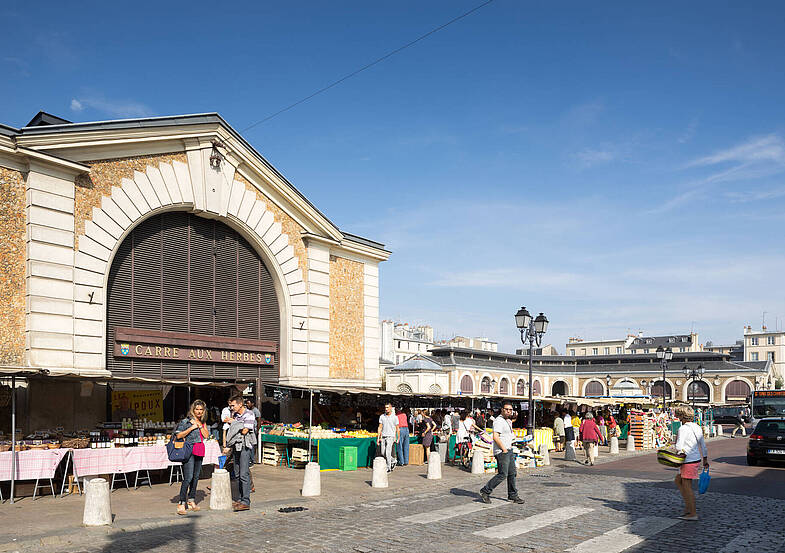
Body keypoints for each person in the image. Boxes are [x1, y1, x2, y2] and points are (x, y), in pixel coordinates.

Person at [479, 402, 524, 504]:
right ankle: (485, 491)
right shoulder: (498, 421)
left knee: (512, 473)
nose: (509, 411)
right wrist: (503, 449)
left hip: (509, 449)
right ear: (502, 410)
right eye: (507, 409)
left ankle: (513, 495)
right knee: (502, 474)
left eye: (510, 410)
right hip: (502, 451)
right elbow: (495, 437)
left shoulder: (507, 421)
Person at [173, 399, 209, 515]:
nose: (199, 412)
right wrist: (192, 428)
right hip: (188, 450)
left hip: (199, 450)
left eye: (201, 410)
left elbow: (206, 435)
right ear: (193, 410)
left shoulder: (203, 422)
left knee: (196, 476)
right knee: (188, 477)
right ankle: (181, 502)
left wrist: (200, 426)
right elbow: (178, 435)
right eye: (197, 409)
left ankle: (191, 500)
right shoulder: (185, 421)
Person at [673, 406, 709, 520]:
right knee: (678, 480)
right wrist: (705, 460)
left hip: (688, 460)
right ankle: (688, 507)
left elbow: (679, 446)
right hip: (696, 459)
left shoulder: (682, 429)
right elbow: (703, 445)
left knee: (687, 486)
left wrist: (674, 446)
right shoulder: (697, 427)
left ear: (681, 417)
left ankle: (692, 513)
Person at [224, 394, 256, 512]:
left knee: (243, 474)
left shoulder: (249, 414)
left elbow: (244, 431)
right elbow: (235, 430)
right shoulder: (236, 415)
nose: (231, 408)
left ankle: (246, 501)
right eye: (230, 406)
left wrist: (234, 423)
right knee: (237, 473)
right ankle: (240, 498)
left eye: (233, 405)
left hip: (244, 446)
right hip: (236, 446)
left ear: (240, 404)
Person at [377, 403, 399, 472]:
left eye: (387, 407)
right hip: (383, 436)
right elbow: (380, 427)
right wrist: (378, 438)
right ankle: (393, 460)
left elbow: (397, 428)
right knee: (383, 452)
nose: (386, 409)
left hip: (391, 436)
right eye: (385, 407)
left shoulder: (395, 417)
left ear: (391, 408)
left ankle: (388, 467)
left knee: (387, 452)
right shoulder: (382, 416)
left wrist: (397, 438)